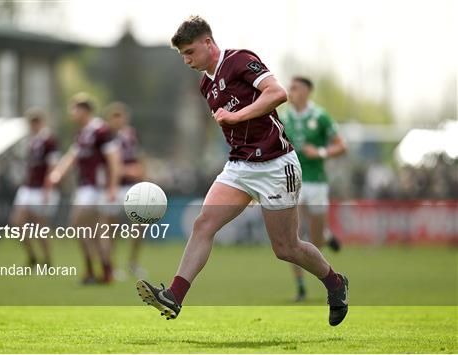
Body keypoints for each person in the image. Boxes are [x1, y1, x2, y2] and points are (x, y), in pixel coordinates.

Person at [136, 16, 349, 326]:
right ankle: (174, 296)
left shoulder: (240, 60)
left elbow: (277, 94)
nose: (186, 60)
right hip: (239, 167)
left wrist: (237, 117)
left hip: (277, 164)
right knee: (203, 224)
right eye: (182, 54)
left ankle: (335, 283)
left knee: (286, 248)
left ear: (208, 43)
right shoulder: (205, 84)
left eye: (190, 52)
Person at [282, 76, 347, 301]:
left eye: (295, 88)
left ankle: (325, 237)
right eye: (289, 88)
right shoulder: (284, 118)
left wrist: (320, 152)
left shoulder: (320, 116)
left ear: (307, 92)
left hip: (317, 182)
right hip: (293, 182)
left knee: (315, 240)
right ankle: (300, 288)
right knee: (293, 236)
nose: (290, 92)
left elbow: (341, 146)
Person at [46, 93, 122, 284]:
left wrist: (113, 186)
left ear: (85, 110)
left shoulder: (100, 131)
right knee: (91, 231)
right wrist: (56, 175)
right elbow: (71, 157)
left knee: (79, 224)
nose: (72, 113)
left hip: (98, 188)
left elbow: (114, 159)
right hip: (85, 187)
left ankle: (97, 269)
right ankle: (102, 269)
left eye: (75, 109)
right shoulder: (82, 133)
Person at [100, 101, 148, 279]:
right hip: (113, 187)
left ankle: (133, 262)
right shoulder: (105, 136)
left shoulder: (131, 135)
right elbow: (109, 164)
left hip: (131, 187)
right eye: (115, 116)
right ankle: (110, 266)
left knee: (140, 224)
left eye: (121, 116)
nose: (118, 120)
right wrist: (129, 170)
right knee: (110, 228)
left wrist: (143, 177)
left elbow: (140, 157)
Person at [10, 109, 59, 267]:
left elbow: (52, 165)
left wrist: (47, 188)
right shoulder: (32, 141)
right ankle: (32, 256)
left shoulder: (48, 140)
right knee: (17, 222)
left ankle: (47, 260)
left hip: (40, 189)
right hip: (28, 188)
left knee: (41, 227)